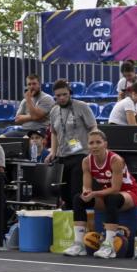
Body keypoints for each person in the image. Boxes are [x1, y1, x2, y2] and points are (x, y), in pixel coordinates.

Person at [62, 129, 137, 259]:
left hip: (129, 193)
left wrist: (94, 193)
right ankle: (79, 244)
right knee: (78, 199)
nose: (94, 146)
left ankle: (109, 246)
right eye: (91, 143)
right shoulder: (86, 161)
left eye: (98, 142)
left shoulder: (115, 160)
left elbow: (116, 189)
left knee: (112, 198)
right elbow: (86, 186)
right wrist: (86, 192)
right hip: (106, 193)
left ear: (105, 144)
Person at [46, 80, 99, 211]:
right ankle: (67, 225)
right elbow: (53, 132)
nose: (62, 98)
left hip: (80, 155)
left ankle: (79, 224)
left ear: (70, 93)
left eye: (64, 94)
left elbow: (93, 127)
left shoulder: (81, 106)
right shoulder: (54, 111)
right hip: (62, 156)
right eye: (58, 96)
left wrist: (93, 146)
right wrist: (53, 151)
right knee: (64, 195)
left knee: (75, 192)